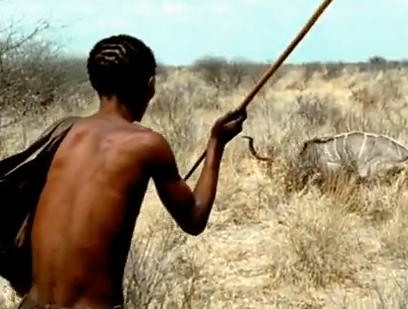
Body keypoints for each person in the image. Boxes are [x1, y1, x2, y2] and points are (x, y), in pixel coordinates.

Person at [18, 34, 247, 309]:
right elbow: (194, 219)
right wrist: (216, 143)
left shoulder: (64, 131)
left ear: (95, 83)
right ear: (150, 86)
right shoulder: (146, 144)